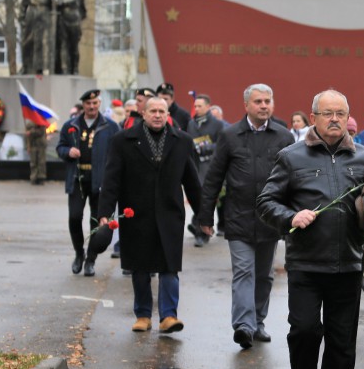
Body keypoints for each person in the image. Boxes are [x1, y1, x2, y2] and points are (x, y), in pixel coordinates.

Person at [257, 89, 364, 369]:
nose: (335, 119)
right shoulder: (292, 157)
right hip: (306, 265)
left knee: (342, 342)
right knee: (305, 333)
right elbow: (266, 202)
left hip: (349, 265)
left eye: (341, 113)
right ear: (314, 117)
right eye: (327, 113)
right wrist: (291, 217)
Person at [198, 84, 294, 349]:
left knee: (264, 276)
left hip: (270, 218)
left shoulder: (284, 137)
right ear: (246, 106)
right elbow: (214, 177)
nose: (264, 106)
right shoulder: (230, 135)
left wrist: (291, 217)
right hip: (238, 217)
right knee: (243, 271)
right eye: (258, 101)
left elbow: (294, 180)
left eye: (267, 101)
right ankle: (243, 325)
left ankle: (258, 322)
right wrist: (205, 216)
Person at [97, 96, 202, 334]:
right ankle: (143, 315)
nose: (157, 115)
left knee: (169, 265)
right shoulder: (123, 140)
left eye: (161, 111)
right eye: (152, 111)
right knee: (140, 266)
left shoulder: (182, 141)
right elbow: (111, 179)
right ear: (143, 114)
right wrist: (104, 213)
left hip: (170, 212)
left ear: (168, 115)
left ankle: (168, 316)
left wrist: (203, 216)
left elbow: (192, 181)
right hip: (136, 212)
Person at [56, 89, 120, 276]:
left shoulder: (110, 126)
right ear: (83, 105)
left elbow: (119, 151)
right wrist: (68, 152)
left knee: (96, 221)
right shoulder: (71, 125)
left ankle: (91, 259)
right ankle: (79, 253)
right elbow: (60, 147)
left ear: (99, 104)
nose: (91, 107)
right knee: (74, 217)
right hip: (77, 178)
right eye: (88, 104)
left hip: (100, 181)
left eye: (95, 103)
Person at [187, 93, 226, 247]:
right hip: (195, 166)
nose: (196, 108)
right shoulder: (191, 124)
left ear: (208, 106)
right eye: (195, 106)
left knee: (206, 200)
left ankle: (202, 233)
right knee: (198, 200)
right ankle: (200, 228)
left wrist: (207, 147)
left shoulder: (217, 124)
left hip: (210, 167)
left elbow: (223, 145)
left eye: (199, 106)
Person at [19, 0, 53, 74]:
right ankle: (26, 66)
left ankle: (40, 67)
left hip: (44, 14)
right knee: (28, 40)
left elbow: (53, 5)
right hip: (31, 13)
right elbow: (23, 4)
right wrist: (22, 18)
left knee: (42, 42)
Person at [53, 0, 87, 75]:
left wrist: (64, 0)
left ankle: (75, 68)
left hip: (74, 18)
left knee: (74, 46)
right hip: (62, 18)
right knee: (62, 44)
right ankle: (63, 68)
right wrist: (61, 1)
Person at [25, 119, 48, 185]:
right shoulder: (29, 124)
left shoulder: (41, 122)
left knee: (41, 162)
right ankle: (33, 177)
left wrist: (31, 131)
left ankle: (41, 177)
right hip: (32, 145)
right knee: (33, 162)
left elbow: (40, 132)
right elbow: (27, 135)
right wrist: (28, 146)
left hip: (41, 145)